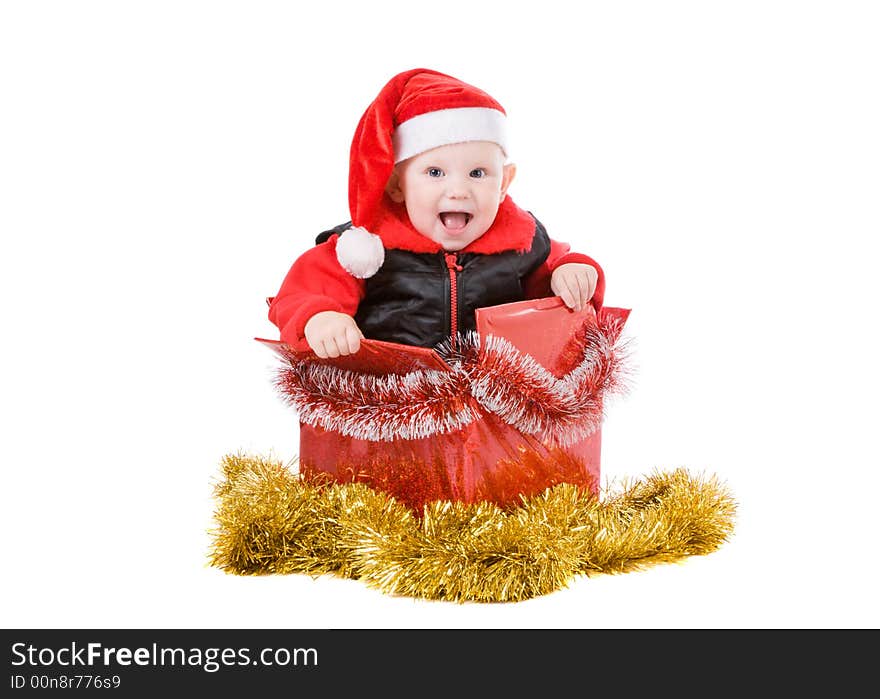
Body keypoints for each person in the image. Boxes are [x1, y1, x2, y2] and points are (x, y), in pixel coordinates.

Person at [268, 68, 606, 358]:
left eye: (477, 173)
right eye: (434, 173)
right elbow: (304, 290)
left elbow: (553, 273)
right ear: (396, 186)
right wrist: (320, 317)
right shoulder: (366, 248)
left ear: (504, 183)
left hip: (486, 405)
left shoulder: (522, 242)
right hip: (394, 396)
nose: (458, 190)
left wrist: (572, 270)